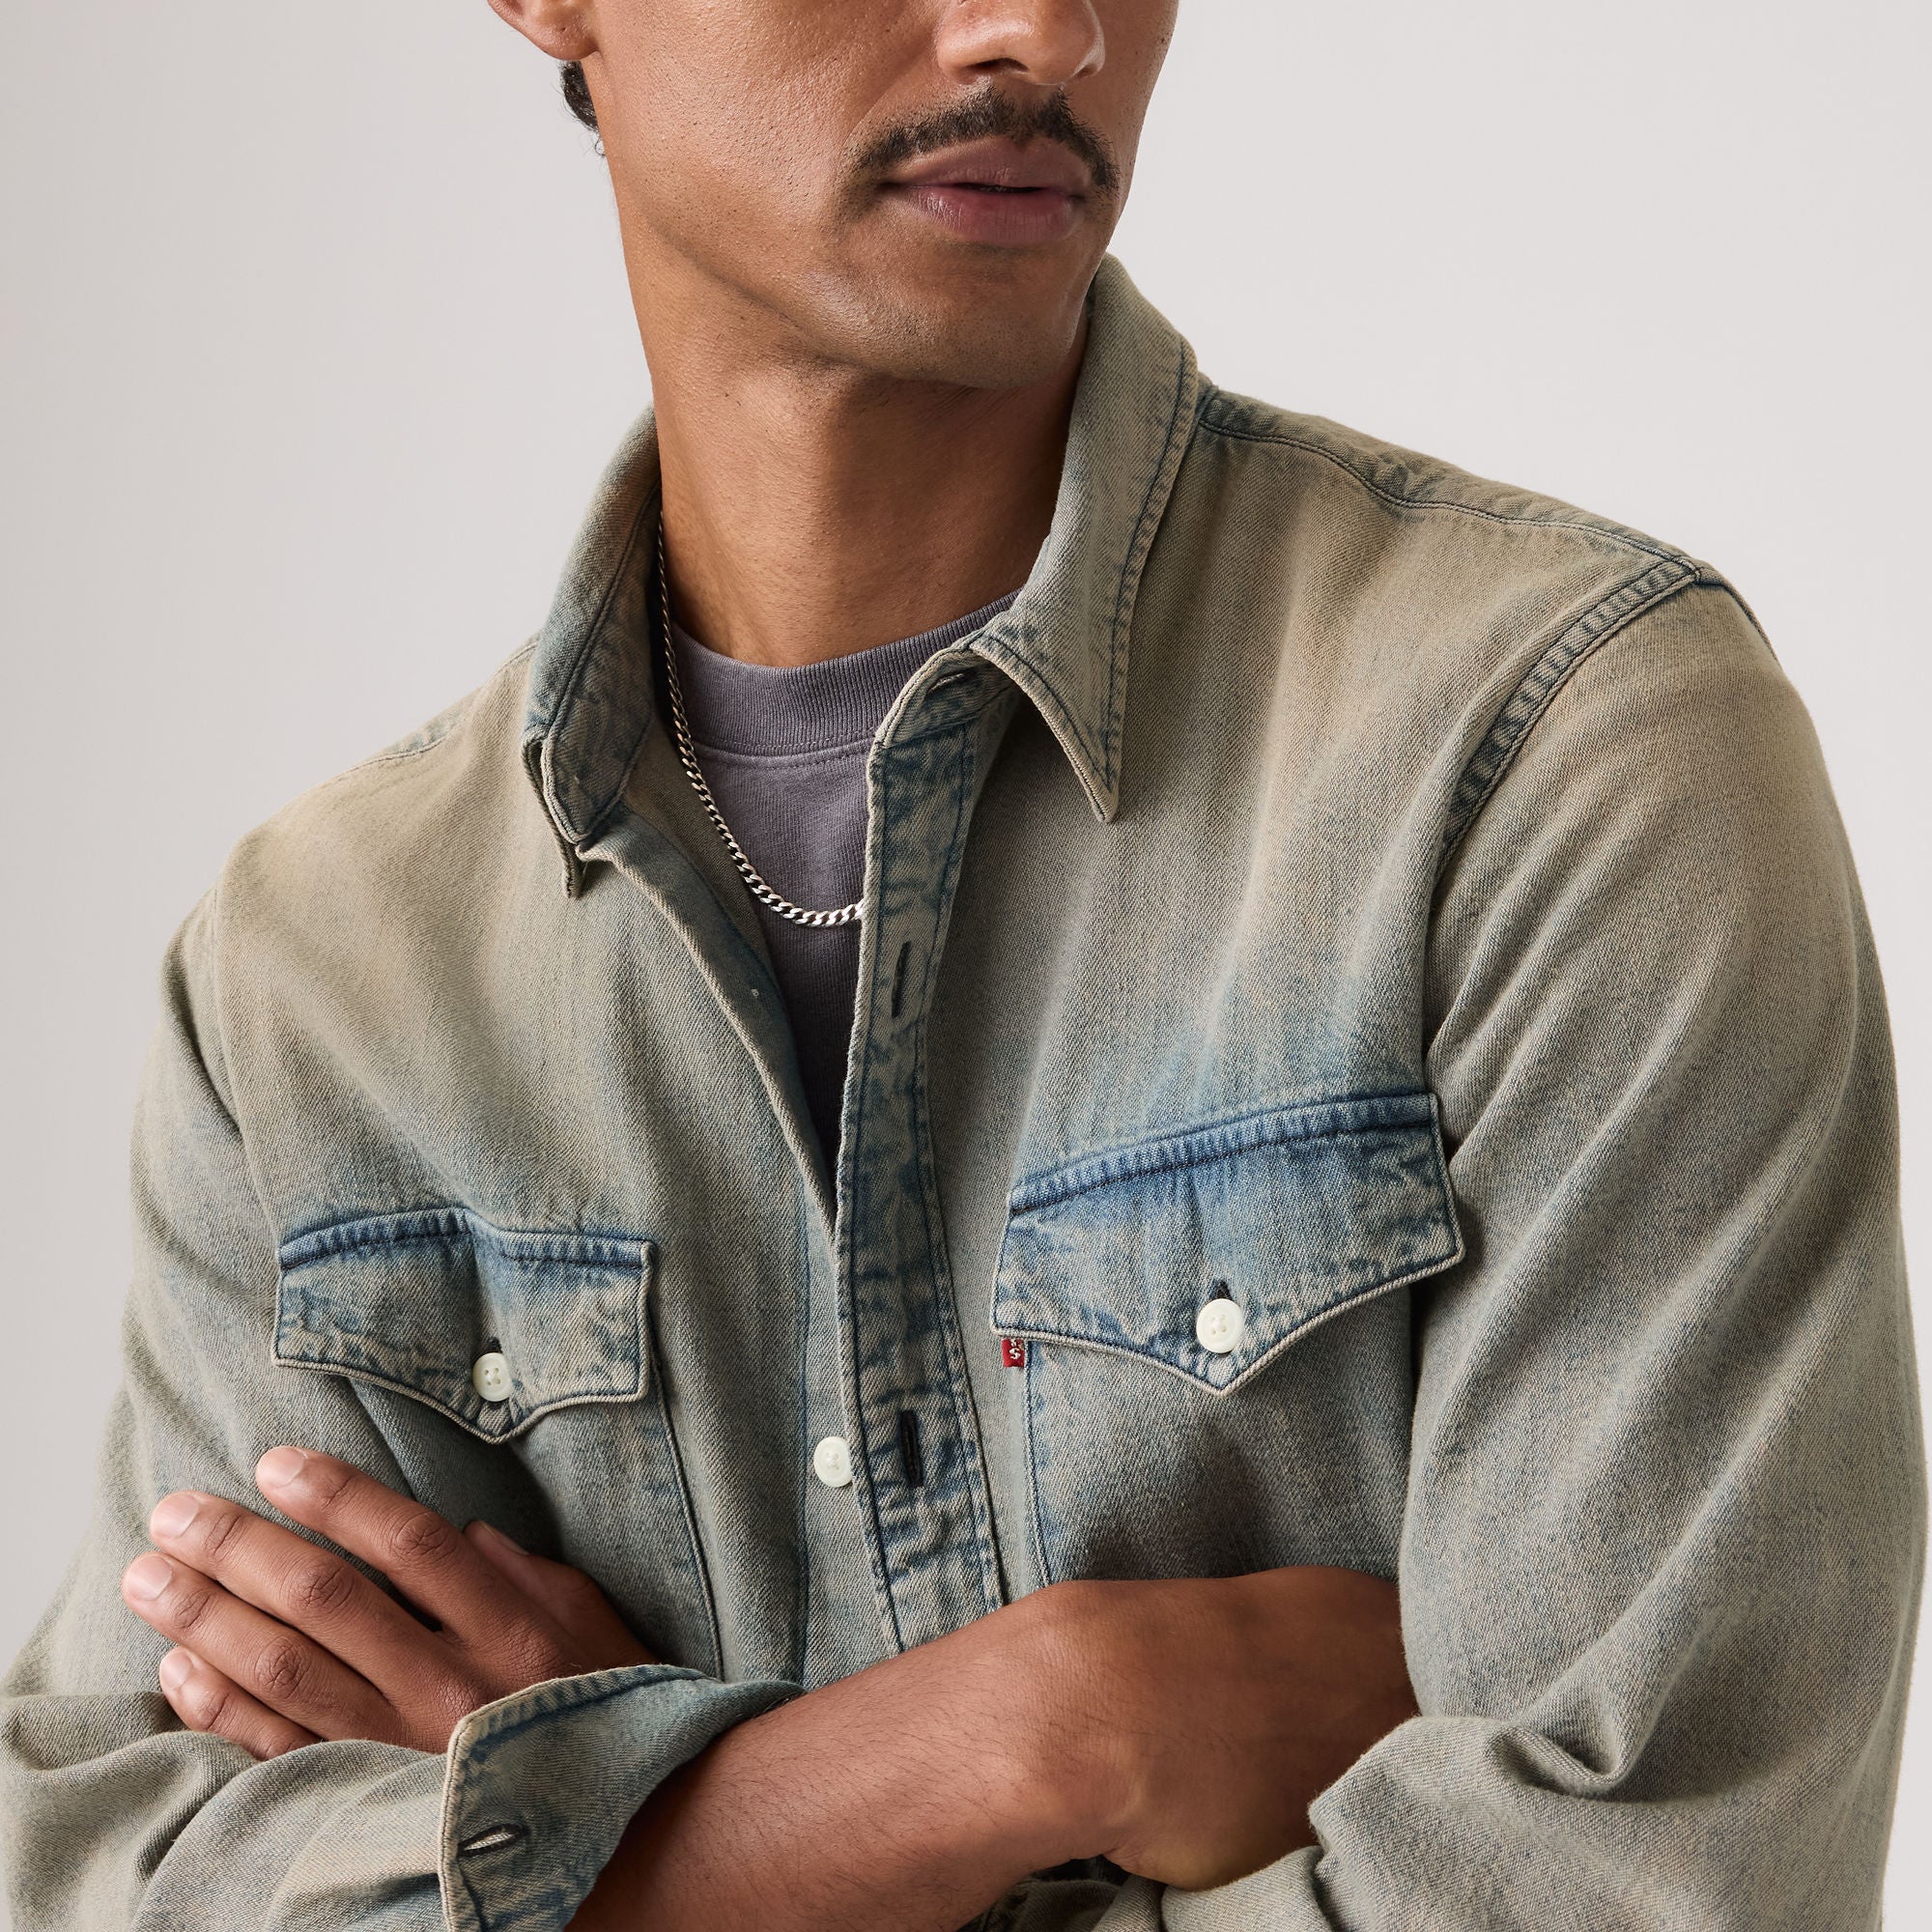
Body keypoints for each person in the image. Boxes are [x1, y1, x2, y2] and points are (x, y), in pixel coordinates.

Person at [2, 1, 1922, 1926]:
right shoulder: (315, 985)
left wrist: (619, 1862)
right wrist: (1046, 1729)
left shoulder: (1551, 760)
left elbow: (1637, 1884)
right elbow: (103, 1869)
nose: (1045, 28)